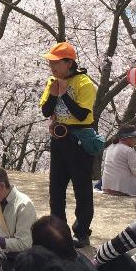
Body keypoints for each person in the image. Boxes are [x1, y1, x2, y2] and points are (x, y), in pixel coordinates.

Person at [39, 42, 97, 248]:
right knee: (56, 189)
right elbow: (46, 111)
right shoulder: (52, 81)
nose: (52, 67)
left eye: (56, 63)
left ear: (69, 63)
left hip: (78, 140)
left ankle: (82, 232)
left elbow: (82, 114)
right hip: (58, 140)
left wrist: (64, 94)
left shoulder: (84, 82)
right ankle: (58, 231)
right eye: (50, 63)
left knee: (82, 189)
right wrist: (54, 94)